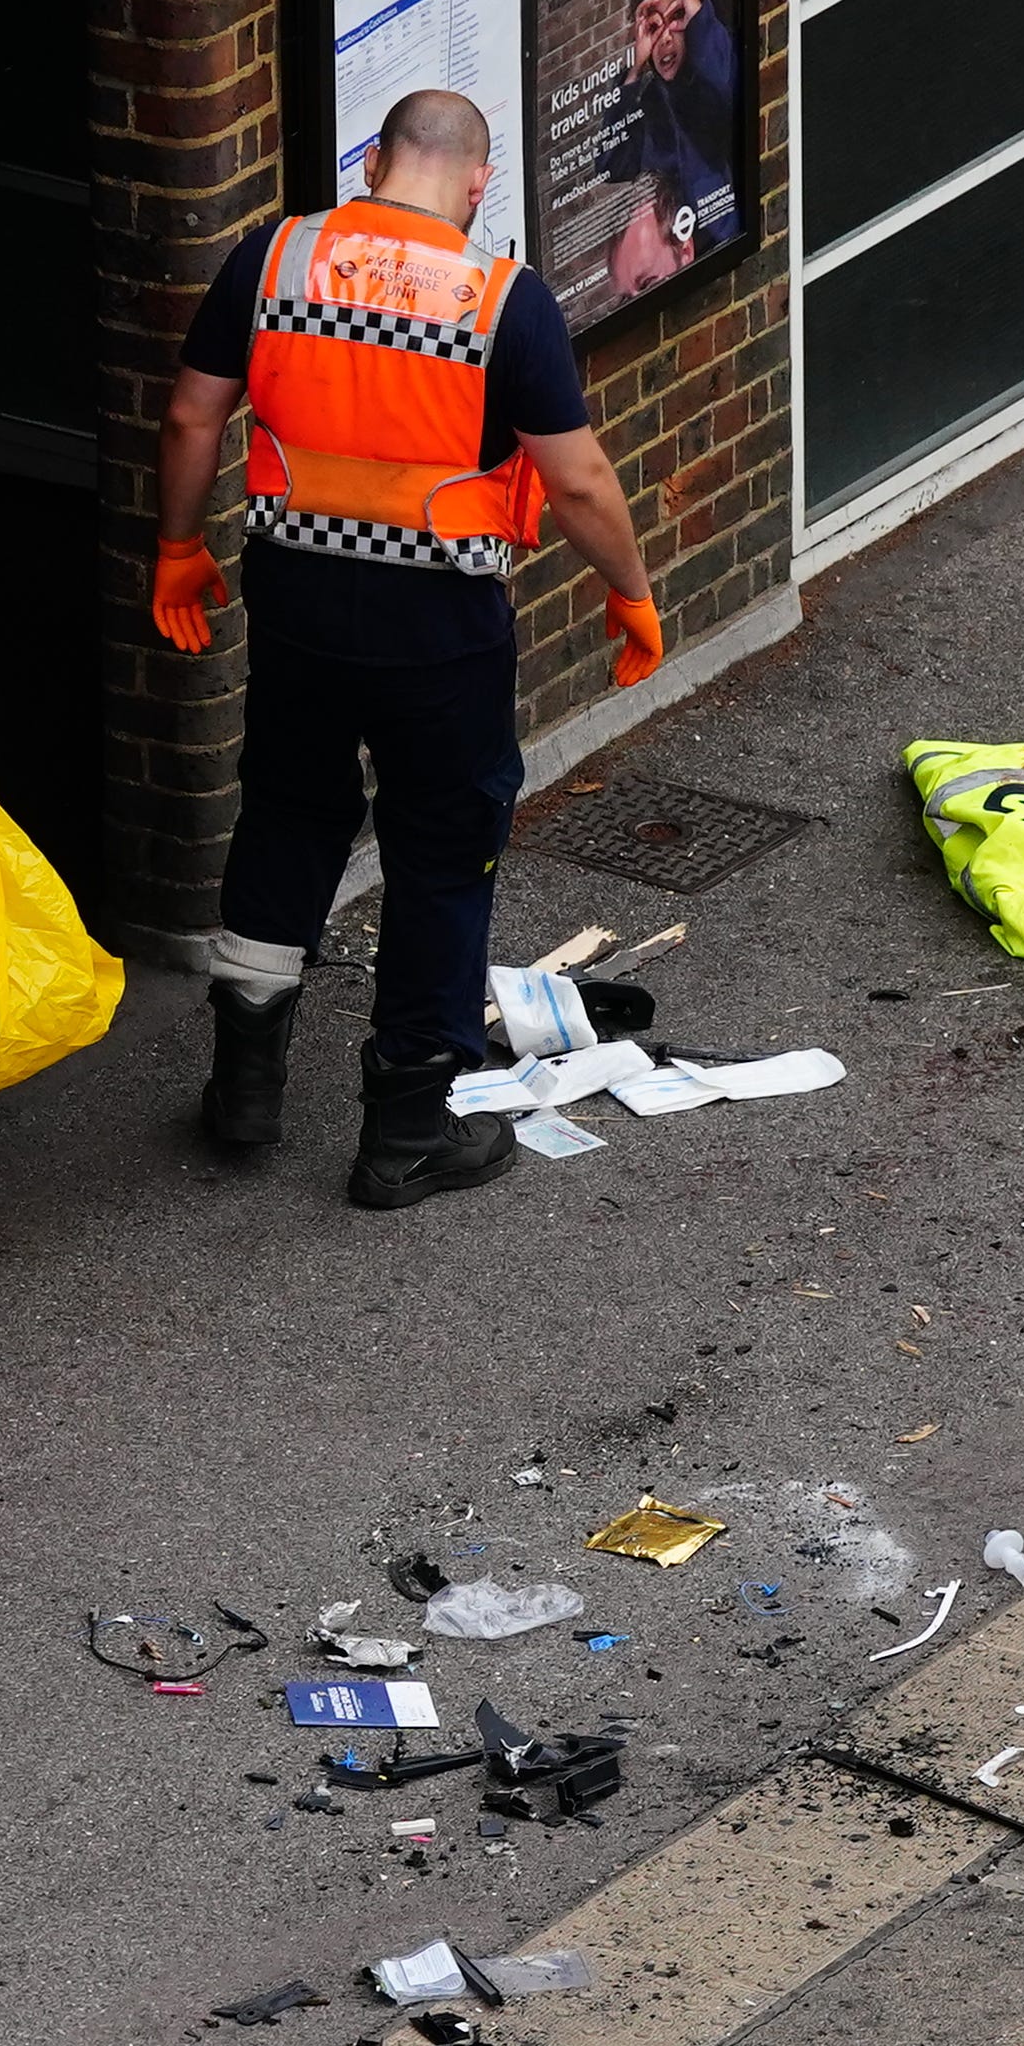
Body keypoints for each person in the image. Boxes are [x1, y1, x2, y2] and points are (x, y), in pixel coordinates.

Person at [153, 90, 665, 1209]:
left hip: (294, 608)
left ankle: (245, 1083)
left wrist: (178, 546)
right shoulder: (503, 301)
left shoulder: (274, 259)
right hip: (437, 631)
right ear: (479, 185)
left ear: (374, 159)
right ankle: (402, 1136)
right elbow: (574, 480)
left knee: (289, 813)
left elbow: (195, 417)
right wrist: (628, 593)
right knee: (439, 851)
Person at [599, 0, 743, 304]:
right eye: (655, 24)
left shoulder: (721, 57)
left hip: (729, 248)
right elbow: (613, 162)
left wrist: (697, 20)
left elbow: (727, 94)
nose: (665, 38)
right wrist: (633, 70)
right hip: (681, 270)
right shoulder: (649, 103)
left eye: (678, 16)